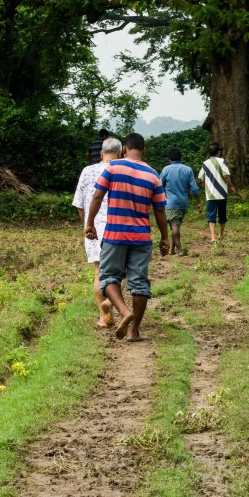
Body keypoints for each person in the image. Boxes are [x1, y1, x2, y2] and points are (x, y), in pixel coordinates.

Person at [85, 132, 170, 341]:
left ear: (124, 149)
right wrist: (165, 238)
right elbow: (159, 210)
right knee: (140, 283)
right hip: (141, 237)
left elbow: (97, 195)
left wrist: (89, 223)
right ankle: (135, 331)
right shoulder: (153, 175)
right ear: (144, 150)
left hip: (115, 233)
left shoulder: (113, 167)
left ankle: (124, 311)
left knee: (108, 277)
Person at [72, 136, 123, 327]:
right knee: (122, 272)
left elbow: (79, 203)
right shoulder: (121, 170)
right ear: (119, 153)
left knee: (98, 272)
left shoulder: (88, 171)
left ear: (101, 153)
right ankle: (111, 303)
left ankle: (103, 317)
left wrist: (87, 224)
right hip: (117, 226)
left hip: (93, 227)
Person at [160, 147, 202, 255]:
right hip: (183, 203)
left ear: (169, 158)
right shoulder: (188, 169)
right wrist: (198, 202)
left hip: (170, 203)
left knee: (174, 226)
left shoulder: (166, 170)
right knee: (176, 225)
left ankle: (179, 250)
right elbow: (194, 188)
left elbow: (159, 185)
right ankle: (172, 250)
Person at [197, 142, 236, 244]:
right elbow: (227, 175)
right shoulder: (221, 162)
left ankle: (213, 237)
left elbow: (200, 178)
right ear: (219, 152)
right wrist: (230, 186)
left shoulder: (205, 163)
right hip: (222, 194)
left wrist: (205, 186)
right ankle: (221, 234)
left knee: (211, 216)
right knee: (222, 215)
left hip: (210, 195)